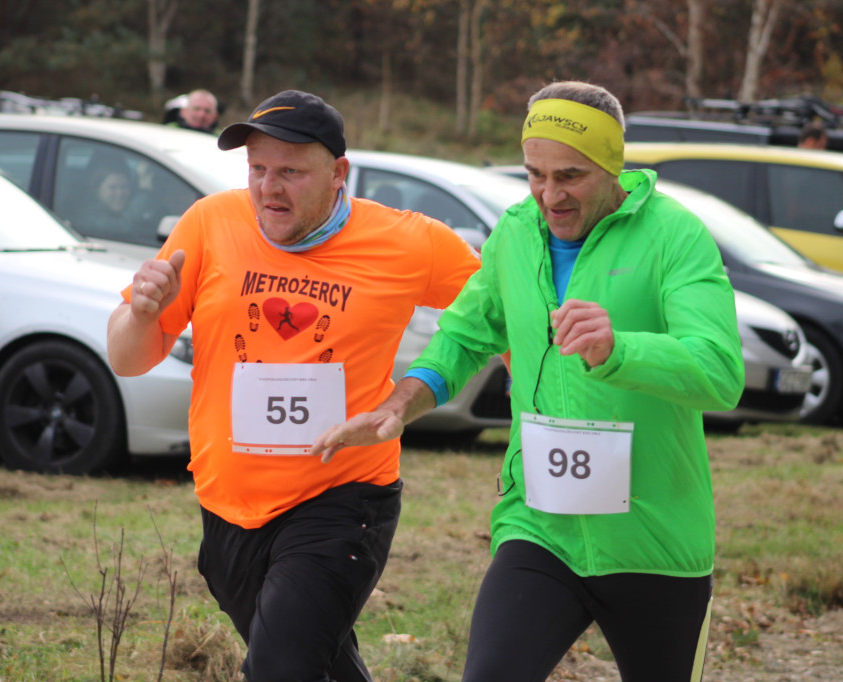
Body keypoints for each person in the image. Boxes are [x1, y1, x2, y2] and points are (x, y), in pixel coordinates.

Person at [313, 81, 745, 681]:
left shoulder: (675, 235)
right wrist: (399, 406)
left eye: (569, 175)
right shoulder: (515, 234)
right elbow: (465, 334)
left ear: (612, 165)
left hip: (654, 542)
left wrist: (620, 348)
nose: (549, 195)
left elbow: (720, 372)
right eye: (534, 175)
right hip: (540, 526)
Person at [106, 89, 481, 681]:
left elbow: (497, 316)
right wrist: (143, 313)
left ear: (338, 174)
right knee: (319, 664)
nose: (268, 188)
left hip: (343, 498)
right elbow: (127, 359)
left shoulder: (410, 242)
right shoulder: (210, 223)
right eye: (257, 169)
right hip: (229, 505)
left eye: (289, 172)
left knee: (281, 666)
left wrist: (419, 391)